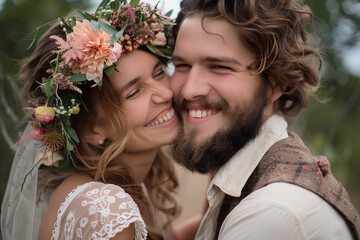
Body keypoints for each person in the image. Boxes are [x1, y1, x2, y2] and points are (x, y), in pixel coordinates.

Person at [170, 0, 360, 239]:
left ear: (276, 82)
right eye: (181, 65)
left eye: (219, 67)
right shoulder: (253, 182)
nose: (189, 90)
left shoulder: (268, 214)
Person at [1, 1, 181, 239]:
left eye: (159, 73)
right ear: (92, 131)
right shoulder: (105, 208)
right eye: (134, 92)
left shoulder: (114, 193)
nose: (166, 93)